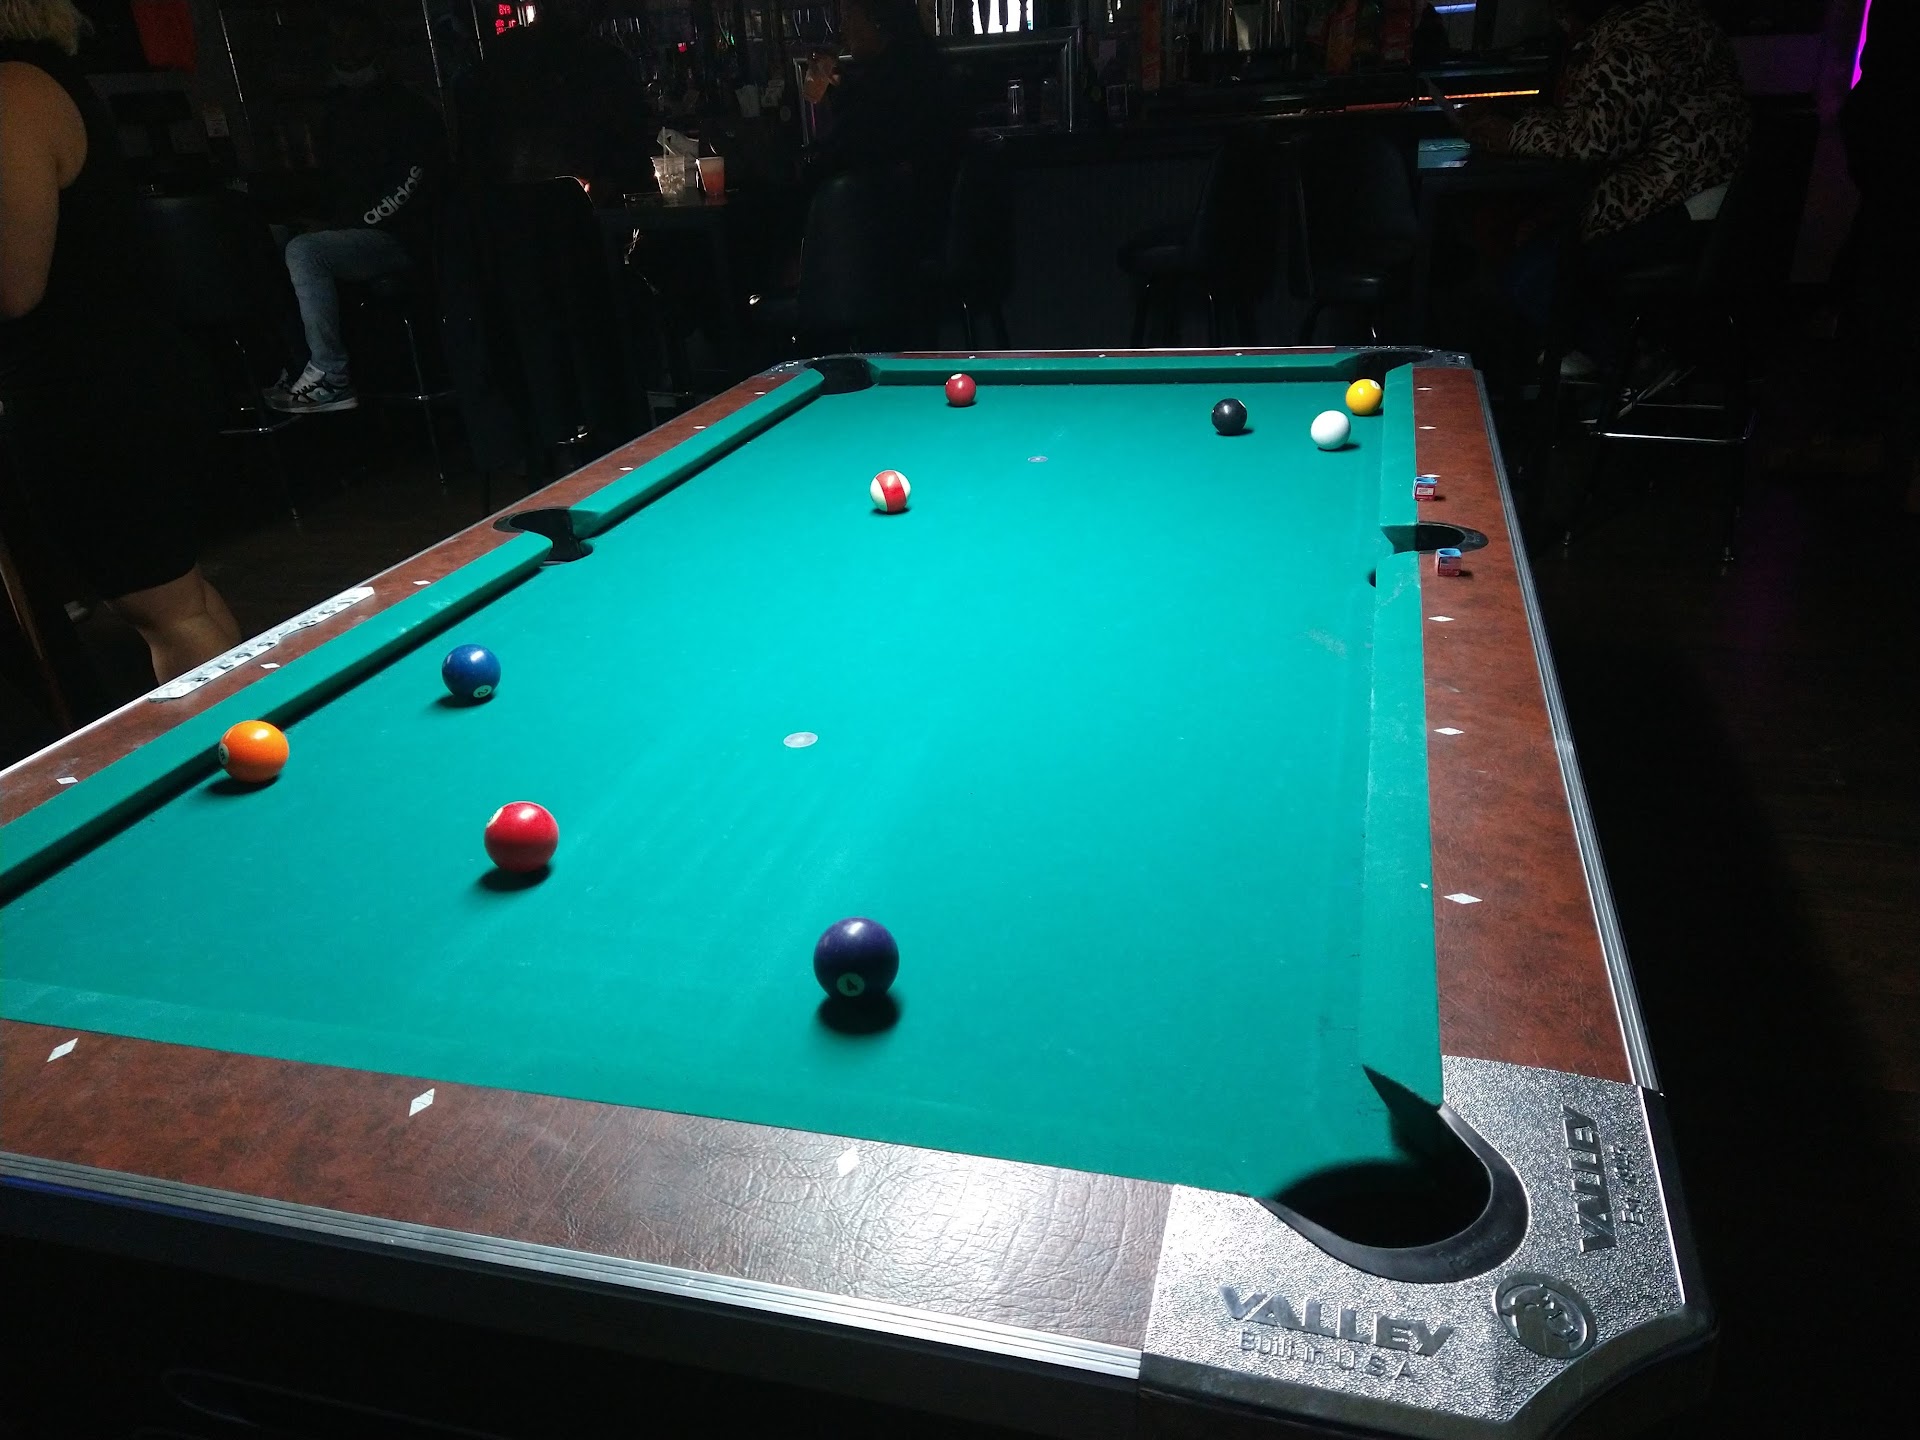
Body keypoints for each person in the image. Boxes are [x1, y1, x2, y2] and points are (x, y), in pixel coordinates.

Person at [1, 0, 241, 684]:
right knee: (181, 601)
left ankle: (232, 745)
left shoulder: (13, 89)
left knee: (167, 612)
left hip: (89, 390)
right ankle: (259, 736)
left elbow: (14, 287)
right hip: (125, 375)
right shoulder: (41, 77)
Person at [1451, 0, 1750, 373]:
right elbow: (1596, 121)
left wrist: (1511, 133)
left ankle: (1635, 368)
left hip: (1682, 205)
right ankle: (1588, 357)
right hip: (1692, 197)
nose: (1560, 22)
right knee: (1514, 233)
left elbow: (1594, 138)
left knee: (1531, 273)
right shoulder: (1663, 15)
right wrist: (1515, 122)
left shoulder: (1639, 31)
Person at [268, 5, 445, 415]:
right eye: (339, 43)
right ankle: (296, 366)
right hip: (355, 233)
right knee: (276, 238)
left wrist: (345, 224)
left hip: (404, 239)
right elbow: (334, 186)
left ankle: (331, 375)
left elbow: (412, 184)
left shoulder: (409, 108)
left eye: (356, 42)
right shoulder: (338, 112)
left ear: (379, 47)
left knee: (304, 251)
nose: (346, 52)